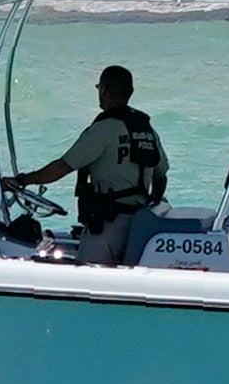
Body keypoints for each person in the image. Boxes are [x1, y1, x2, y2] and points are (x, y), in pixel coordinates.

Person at [19, 63, 171, 261]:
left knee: (87, 281)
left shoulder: (103, 129)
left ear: (105, 90)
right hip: (138, 225)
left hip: (108, 226)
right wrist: (151, 203)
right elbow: (161, 176)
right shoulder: (146, 129)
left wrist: (22, 180)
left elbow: (61, 167)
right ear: (130, 92)